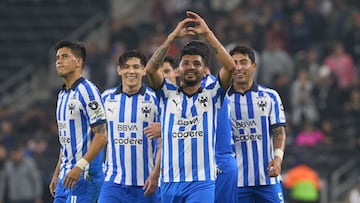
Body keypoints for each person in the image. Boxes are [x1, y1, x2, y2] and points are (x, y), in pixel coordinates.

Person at [145, 11, 235, 202]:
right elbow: (151, 69)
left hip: (201, 183)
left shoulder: (212, 95)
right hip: (169, 182)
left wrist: (207, 34)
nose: (191, 67)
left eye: (196, 63)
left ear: (204, 71)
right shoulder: (167, 94)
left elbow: (230, 67)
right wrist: (172, 38)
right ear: (179, 70)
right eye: (186, 63)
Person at [98, 50, 161, 203]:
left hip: (146, 182)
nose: (131, 71)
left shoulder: (155, 100)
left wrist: (156, 174)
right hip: (113, 182)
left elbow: (163, 143)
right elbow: (96, 136)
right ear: (119, 70)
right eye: (126, 67)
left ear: (144, 70)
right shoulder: (106, 98)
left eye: (136, 67)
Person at [49, 40, 108, 203]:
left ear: (79, 62)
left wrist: (79, 166)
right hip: (66, 176)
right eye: (57, 57)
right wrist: (57, 172)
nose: (59, 61)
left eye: (65, 56)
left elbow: (102, 136)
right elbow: (66, 140)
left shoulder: (87, 91)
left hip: (85, 176)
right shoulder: (62, 94)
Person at [228, 45, 287, 203]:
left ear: (253, 66)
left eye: (243, 62)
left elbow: (279, 133)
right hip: (237, 181)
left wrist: (277, 159)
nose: (239, 67)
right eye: (234, 63)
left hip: (267, 179)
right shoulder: (221, 100)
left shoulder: (270, 96)